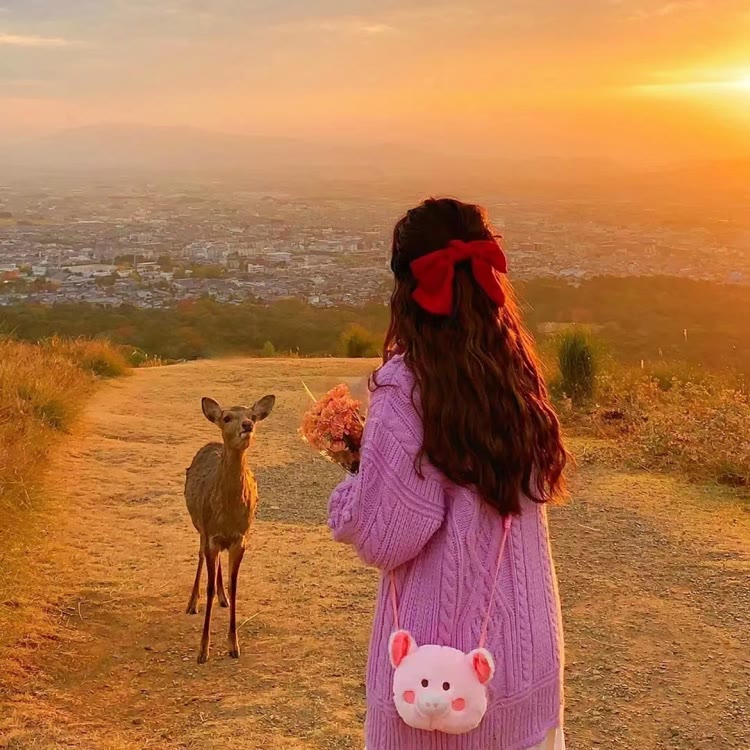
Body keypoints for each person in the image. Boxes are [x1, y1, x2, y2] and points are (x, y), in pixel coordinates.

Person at [328, 197, 568, 750]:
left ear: (407, 289)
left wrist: (350, 495)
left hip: (438, 671)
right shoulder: (515, 369)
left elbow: (390, 533)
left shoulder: (405, 386)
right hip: (523, 657)